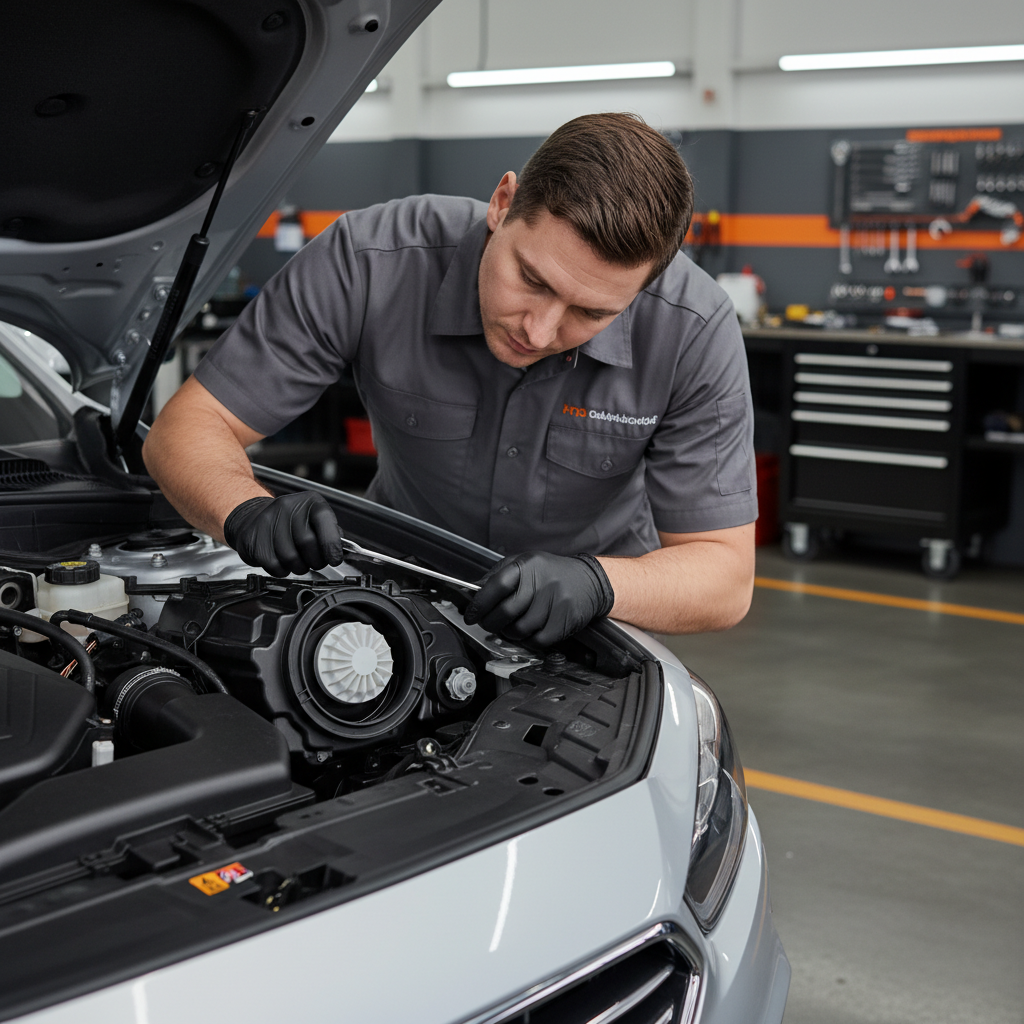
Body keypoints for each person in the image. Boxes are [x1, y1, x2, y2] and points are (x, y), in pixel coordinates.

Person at [143, 113, 757, 645]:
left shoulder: (693, 329)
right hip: (396, 594)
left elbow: (725, 577)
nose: (540, 332)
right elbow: (189, 425)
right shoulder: (369, 262)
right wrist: (245, 509)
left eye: (591, 312)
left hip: (596, 619)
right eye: (533, 280)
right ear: (502, 203)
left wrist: (599, 583)